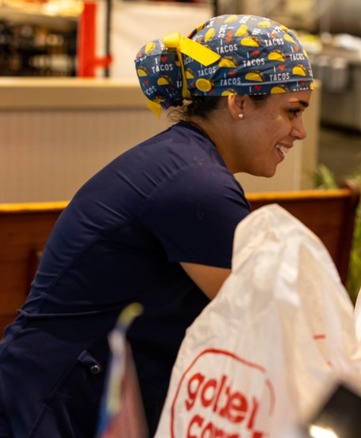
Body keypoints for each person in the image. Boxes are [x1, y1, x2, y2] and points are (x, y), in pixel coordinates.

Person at [0, 14, 314, 436]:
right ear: (237, 103)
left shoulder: (185, 162)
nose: (301, 132)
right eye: (292, 111)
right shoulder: (193, 183)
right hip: (53, 406)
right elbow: (270, 321)